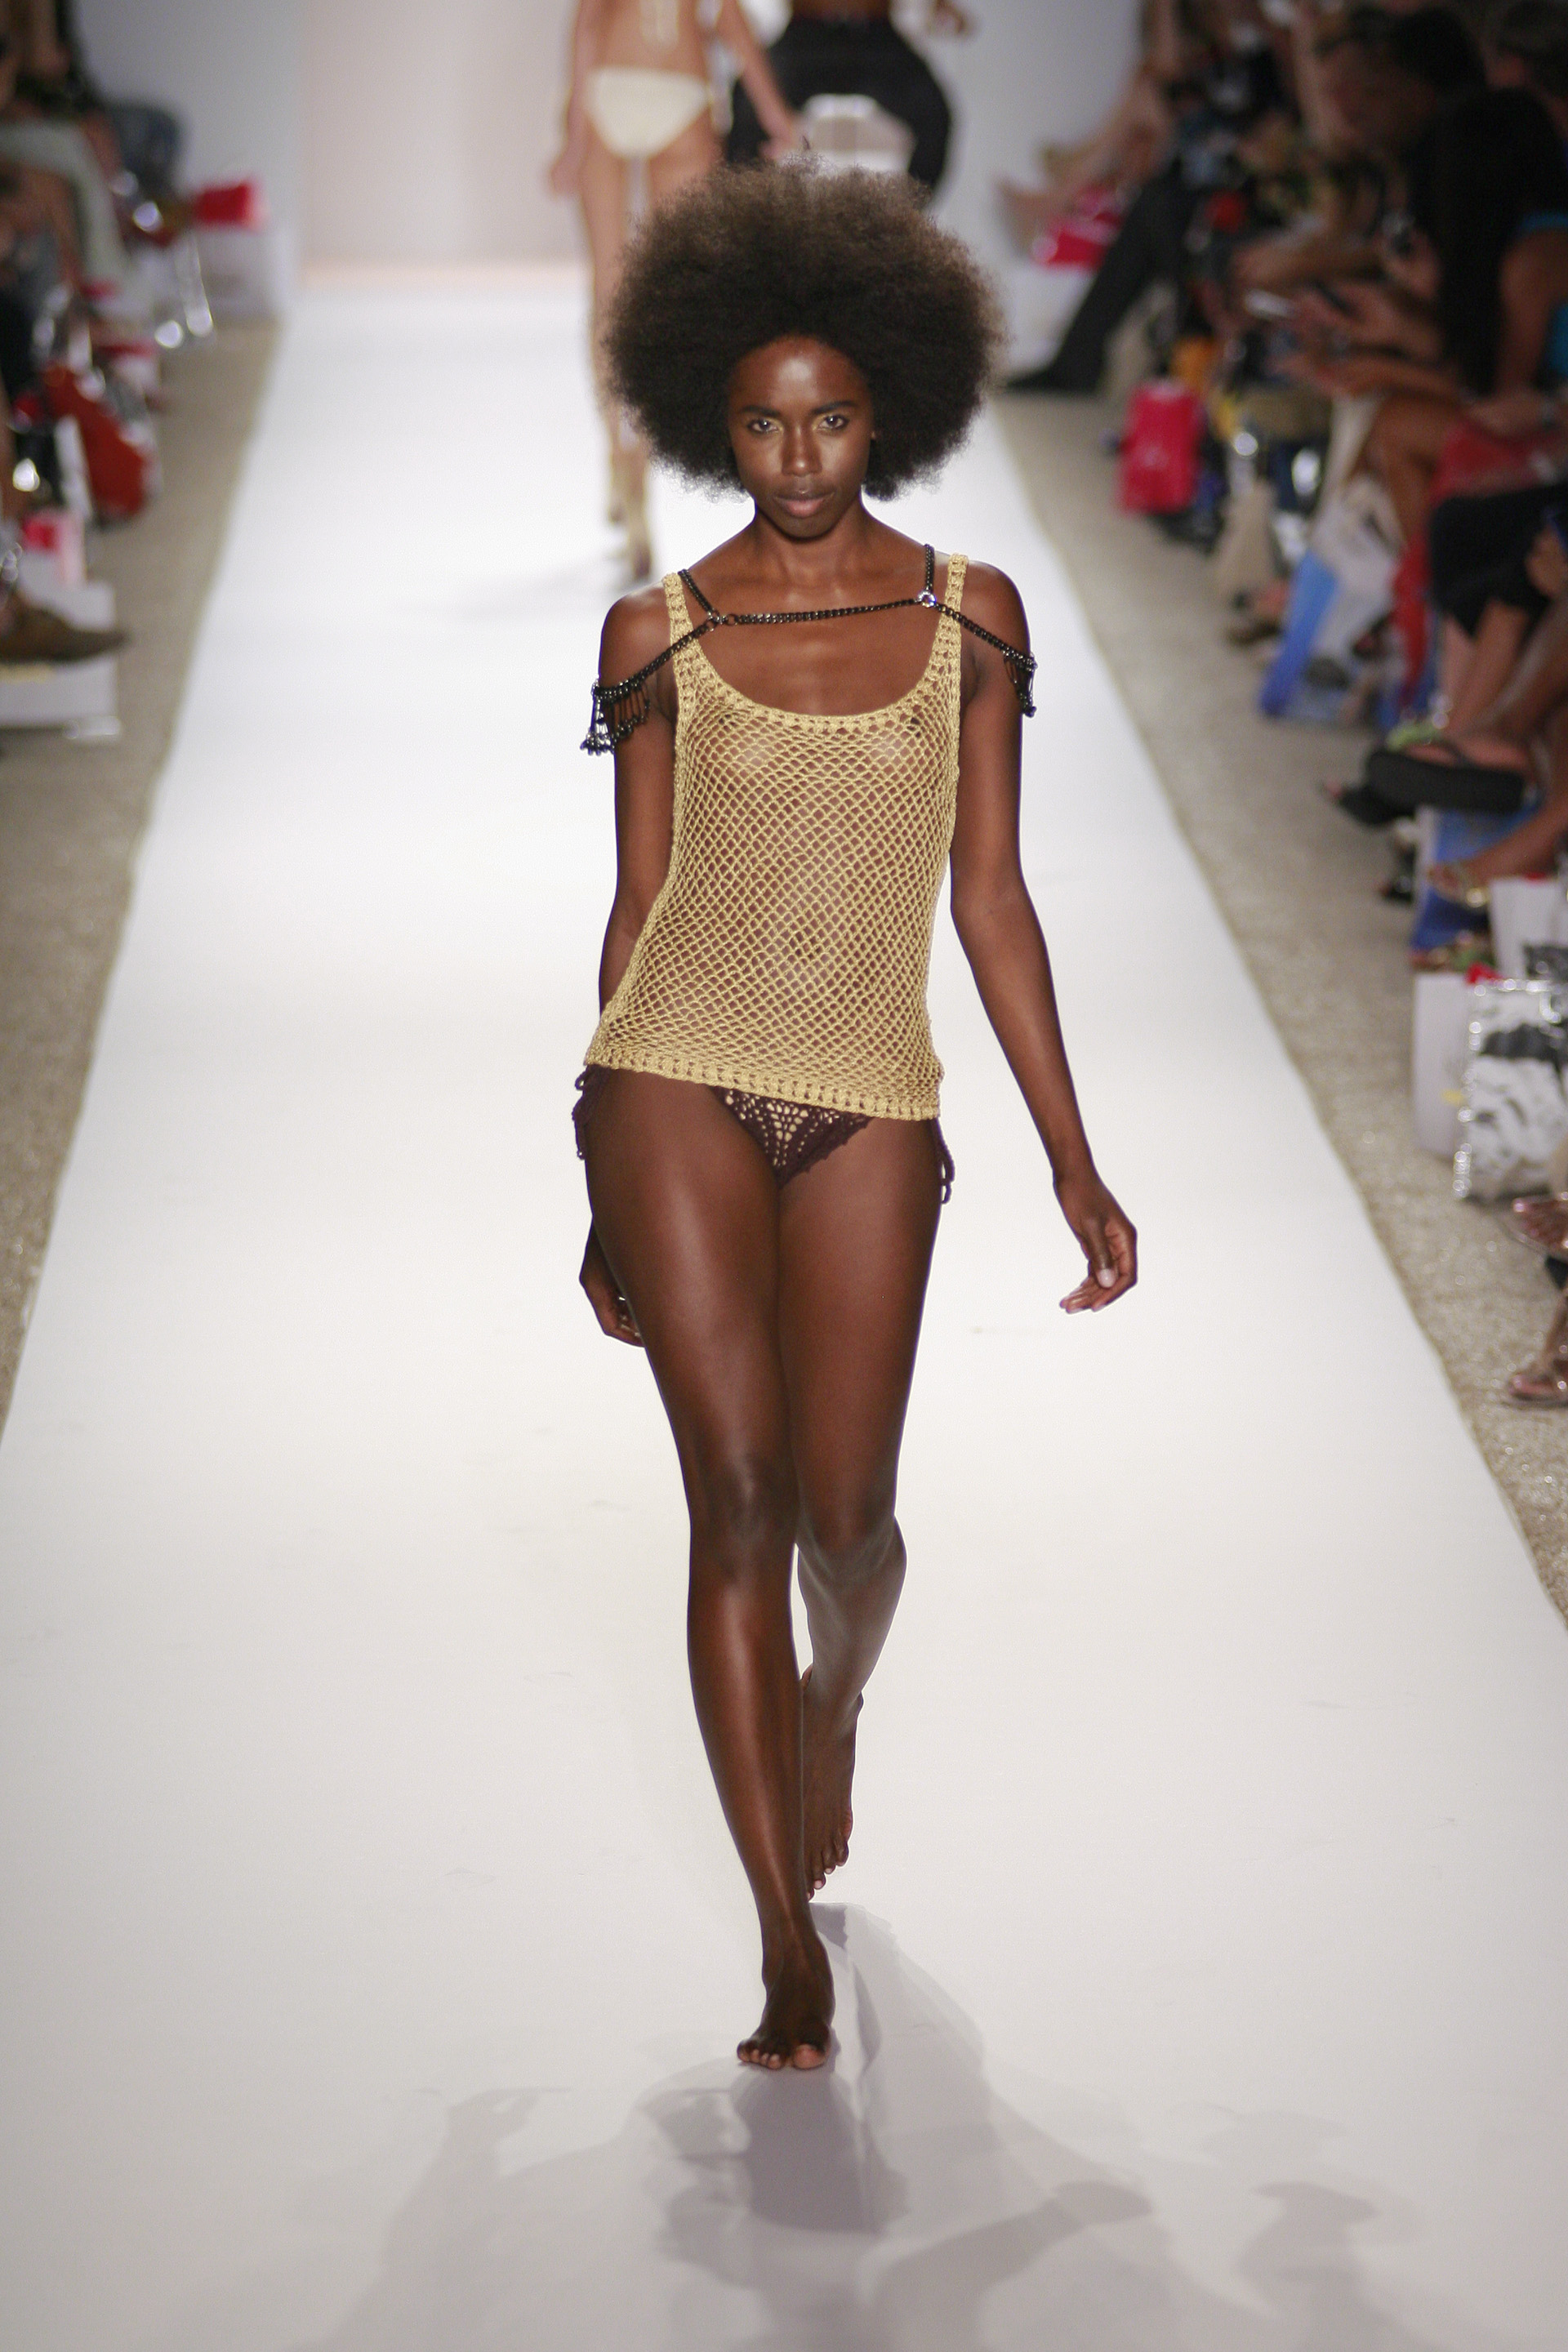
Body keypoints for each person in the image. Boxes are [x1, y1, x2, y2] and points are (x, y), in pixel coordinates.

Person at [571, 167, 1137, 2071]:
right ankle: (779, 1945)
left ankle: (835, 1704)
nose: (798, 455)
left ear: (885, 407)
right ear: (710, 426)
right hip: (674, 1077)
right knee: (733, 1500)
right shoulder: (655, 630)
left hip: (874, 1091)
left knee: (850, 1517)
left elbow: (993, 898)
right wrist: (599, 1166)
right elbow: (638, 909)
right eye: (761, 422)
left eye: (826, 418)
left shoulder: (971, 613)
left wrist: (1069, 1156)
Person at [549, 0, 800, 581]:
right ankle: (639, 457)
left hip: (611, 85)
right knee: (665, 297)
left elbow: (589, 23)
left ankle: (622, 453)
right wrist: (778, 120)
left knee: (610, 295)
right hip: (682, 92)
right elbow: (732, 27)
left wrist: (575, 135)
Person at [726, 0, 969, 195]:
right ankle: (754, 223)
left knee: (934, 116)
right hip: (807, 32)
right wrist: (771, 110)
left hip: (875, 35)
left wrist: (939, 5)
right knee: (746, 113)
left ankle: (900, 223)